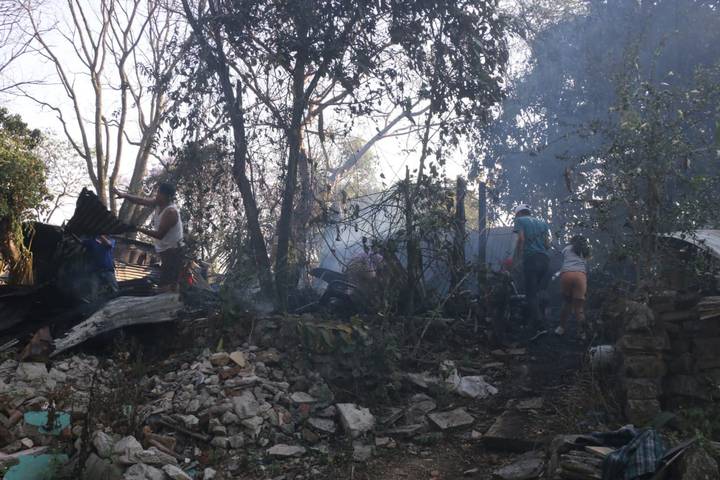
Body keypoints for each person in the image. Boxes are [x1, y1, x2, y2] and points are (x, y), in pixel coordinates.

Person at [113, 183, 184, 291]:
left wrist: (138, 229)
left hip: (173, 252)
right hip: (166, 251)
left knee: (168, 286)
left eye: (160, 193)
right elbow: (140, 200)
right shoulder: (158, 204)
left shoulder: (170, 212)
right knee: (165, 283)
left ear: (168, 197)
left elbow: (159, 235)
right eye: (158, 192)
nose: (157, 195)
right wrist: (124, 195)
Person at [512, 204, 550, 330]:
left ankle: (539, 324)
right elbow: (547, 244)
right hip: (545, 259)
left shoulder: (520, 220)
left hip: (531, 259)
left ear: (518, 213)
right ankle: (540, 319)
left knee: (530, 294)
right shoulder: (542, 223)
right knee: (540, 290)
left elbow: (521, 239)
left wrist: (517, 258)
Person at [556, 235, 590, 339]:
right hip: (580, 276)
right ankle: (582, 334)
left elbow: (561, 260)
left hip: (567, 274)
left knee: (566, 303)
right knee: (579, 308)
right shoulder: (586, 250)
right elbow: (587, 264)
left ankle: (561, 328)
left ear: (572, 241)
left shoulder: (567, 248)